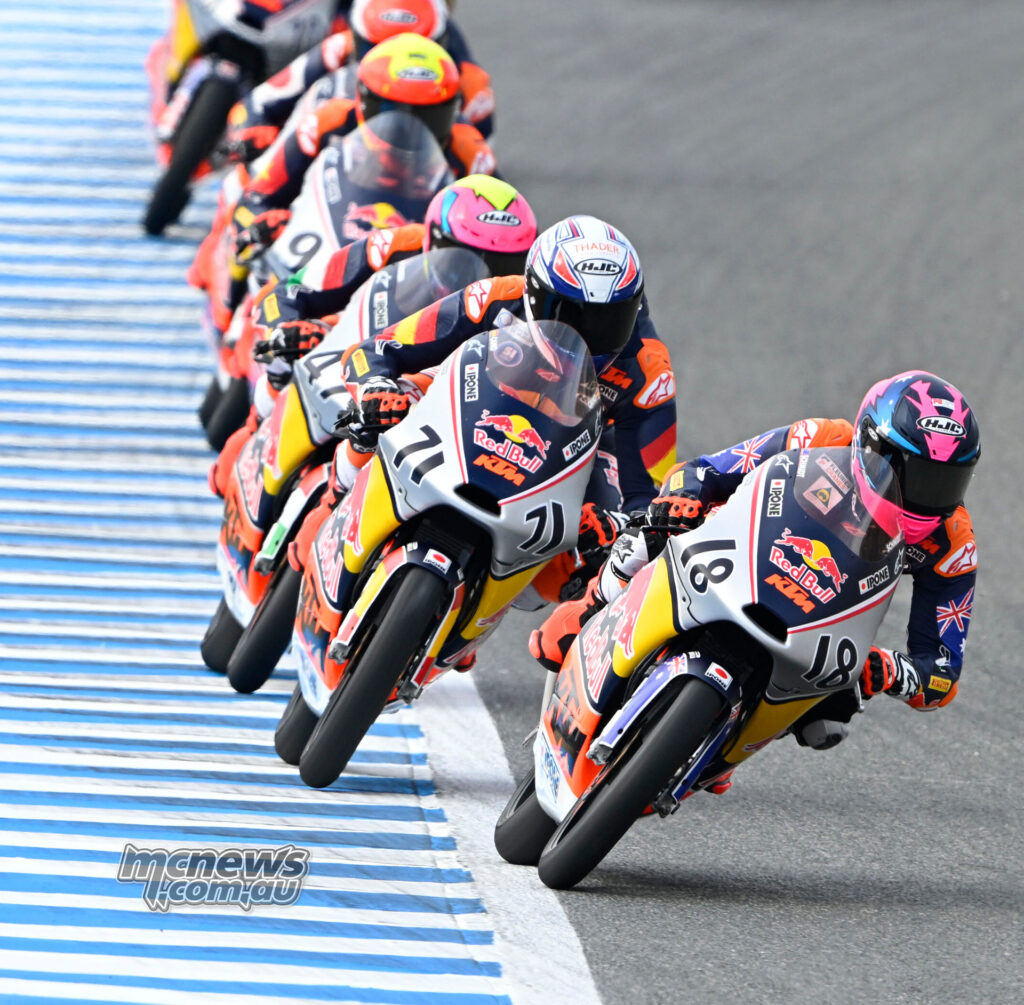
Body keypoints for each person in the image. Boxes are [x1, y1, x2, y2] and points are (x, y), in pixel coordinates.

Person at [529, 370, 980, 765]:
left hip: (823, 612)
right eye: (914, 476)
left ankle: (722, 739)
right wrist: (681, 500)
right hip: (744, 549)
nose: (926, 497)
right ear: (869, 442)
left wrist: (895, 672)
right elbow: (705, 471)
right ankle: (591, 611)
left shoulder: (952, 545)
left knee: (830, 719)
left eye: (945, 483)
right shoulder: (819, 438)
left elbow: (941, 670)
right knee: (645, 535)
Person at [310, 214, 677, 603]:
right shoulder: (497, 297)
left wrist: (616, 524)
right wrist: (375, 388)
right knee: (386, 410)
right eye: (569, 313)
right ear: (535, 294)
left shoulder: (650, 372)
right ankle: (333, 501)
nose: (587, 335)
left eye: (609, 320)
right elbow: (379, 350)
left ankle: (512, 619)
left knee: (604, 560)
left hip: (574, 448)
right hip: (475, 405)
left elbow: (647, 497)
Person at [208, 174, 537, 500]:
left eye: (502, 266)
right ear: (431, 242)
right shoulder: (391, 245)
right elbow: (292, 290)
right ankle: (256, 431)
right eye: (460, 261)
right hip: (355, 372)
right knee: (280, 376)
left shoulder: (524, 305)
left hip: (440, 418)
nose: (481, 279)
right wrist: (287, 328)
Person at [230, 32, 496, 270]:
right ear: (364, 102)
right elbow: (257, 195)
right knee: (241, 245)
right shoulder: (326, 122)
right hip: (317, 247)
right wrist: (262, 222)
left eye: (429, 118)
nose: (408, 133)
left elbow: (504, 233)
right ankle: (225, 313)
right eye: (393, 113)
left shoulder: (470, 151)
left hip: (410, 269)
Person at [223, 0, 495, 164]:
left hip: (415, 182)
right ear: (357, 39)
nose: (392, 70)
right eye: (376, 48)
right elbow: (258, 102)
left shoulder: (467, 79)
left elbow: (481, 154)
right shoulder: (338, 47)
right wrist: (250, 130)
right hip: (328, 167)